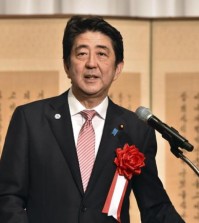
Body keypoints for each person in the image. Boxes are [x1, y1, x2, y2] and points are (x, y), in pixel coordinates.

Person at [0, 16, 185, 223]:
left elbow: (155, 206)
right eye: (81, 53)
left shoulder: (136, 130)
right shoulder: (30, 120)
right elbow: (8, 198)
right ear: (67, 65)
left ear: (117, 68)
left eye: (101, 54)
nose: (91, 63)